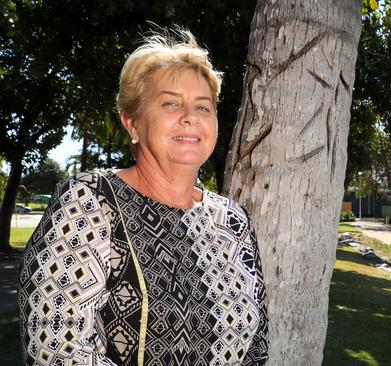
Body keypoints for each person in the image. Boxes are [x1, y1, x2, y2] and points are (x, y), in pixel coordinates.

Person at [18, 28, 268, 366]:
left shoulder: (234, 221)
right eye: (170, 103)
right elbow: (57, 349)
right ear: (132, 123)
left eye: (203, 107)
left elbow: (256, 346)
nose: (190, 117)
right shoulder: (91, 201)